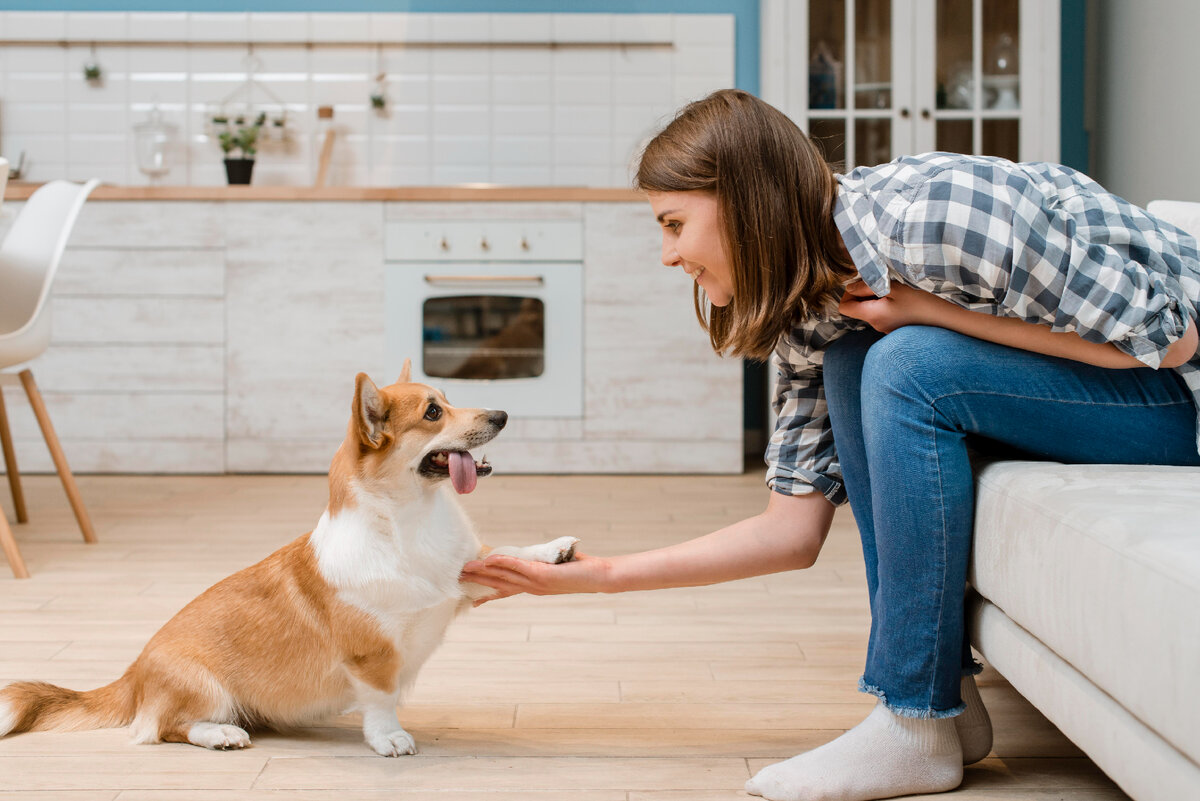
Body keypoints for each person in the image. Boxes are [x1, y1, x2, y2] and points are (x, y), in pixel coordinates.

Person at [460, 89, 1200, 801]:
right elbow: (792, 530)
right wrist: (596, 576)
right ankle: (946, 702)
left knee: (907, 361)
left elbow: (1172, 341)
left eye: (673, 223)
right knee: (861, 356)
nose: (666, 254)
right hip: (1118, 387)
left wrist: (925, 311)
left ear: (745, 201)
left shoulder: (938, 217)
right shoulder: (816, 305)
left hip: (1182, 392)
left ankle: (912, 719)